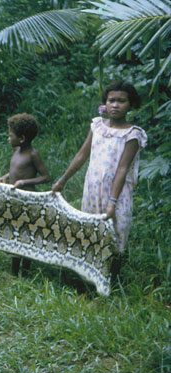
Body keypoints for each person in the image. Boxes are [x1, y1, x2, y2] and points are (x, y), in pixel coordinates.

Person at [52, 80, 147, 281]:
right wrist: (63, 180)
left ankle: (109, 282)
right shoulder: (97, 126)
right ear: (105, 102)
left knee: (115, 234)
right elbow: (82, 155)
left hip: (118, 194)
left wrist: (112, 202)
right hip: (93, 190)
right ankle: (86, 280)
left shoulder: (132, 134)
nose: (115, 105)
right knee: (90, 232)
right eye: (111, 100)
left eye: (121, 101)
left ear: (130, 104)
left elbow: (122, 169)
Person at [0, 113, 51, 276]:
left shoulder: (33, 154)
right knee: (15, 233)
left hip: (28, 200)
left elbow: (46, 177)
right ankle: (14, 272)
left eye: (10, 135)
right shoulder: (16, 150)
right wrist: (6, 177)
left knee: (27, 234)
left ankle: (25, 271)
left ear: (21, 138)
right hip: (15, 200)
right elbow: (14, 169)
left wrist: (24, 182)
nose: (8, 138)